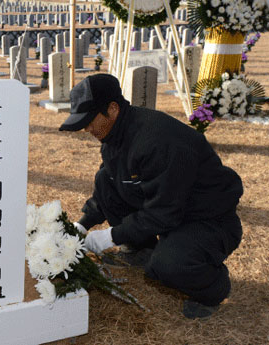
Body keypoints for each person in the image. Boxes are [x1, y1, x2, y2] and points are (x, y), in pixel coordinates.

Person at [59, 74, 243, 320]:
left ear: (112, 109)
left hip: (206, 219)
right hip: (170, 207)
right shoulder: (115, 134)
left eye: (89, 121)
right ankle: (141, 248)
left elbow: (165, 212)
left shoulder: (157, 141)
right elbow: (109, 182)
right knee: (106, 178)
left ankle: (214, 288)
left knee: (168, 266)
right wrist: (83, 224)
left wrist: (111, 236)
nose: (87, 129)